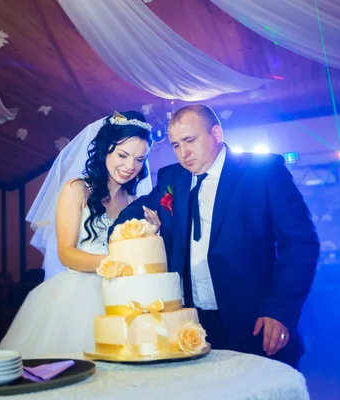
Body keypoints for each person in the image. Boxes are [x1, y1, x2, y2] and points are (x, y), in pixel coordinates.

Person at [111, 104, 319, 368]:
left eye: (190, 140)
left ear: (217, 133)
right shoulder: (172, 177)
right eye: (175, 145)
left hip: (254, 320)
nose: (183, 153)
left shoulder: (264, 171)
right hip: (192, 327)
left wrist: (280, 310)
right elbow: (135, 211)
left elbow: (301, 244)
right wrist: (127, 227)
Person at [0, 111, 158, 358]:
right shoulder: (77, 189)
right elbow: (66, 253)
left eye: (139, 159)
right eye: (123, 155)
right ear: (106, 150)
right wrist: (111, 264)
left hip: (125, 296)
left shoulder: (135, 202)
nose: (130, 167)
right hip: (79, 297)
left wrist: (151, 234)